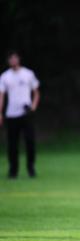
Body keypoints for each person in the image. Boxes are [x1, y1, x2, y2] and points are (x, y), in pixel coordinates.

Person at [0, 51, 40, 179]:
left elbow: (36, 92)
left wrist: (33, 106)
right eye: (11, 59)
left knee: (30, 142)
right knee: (12, 144)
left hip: (26, 113)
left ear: (19, 59)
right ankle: (13, 171)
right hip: (12, 114)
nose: (13, 61)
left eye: (15, 58)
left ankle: (31, 168)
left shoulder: (28, 73)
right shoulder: (5, 76)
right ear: (8, 61)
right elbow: (1, 96)